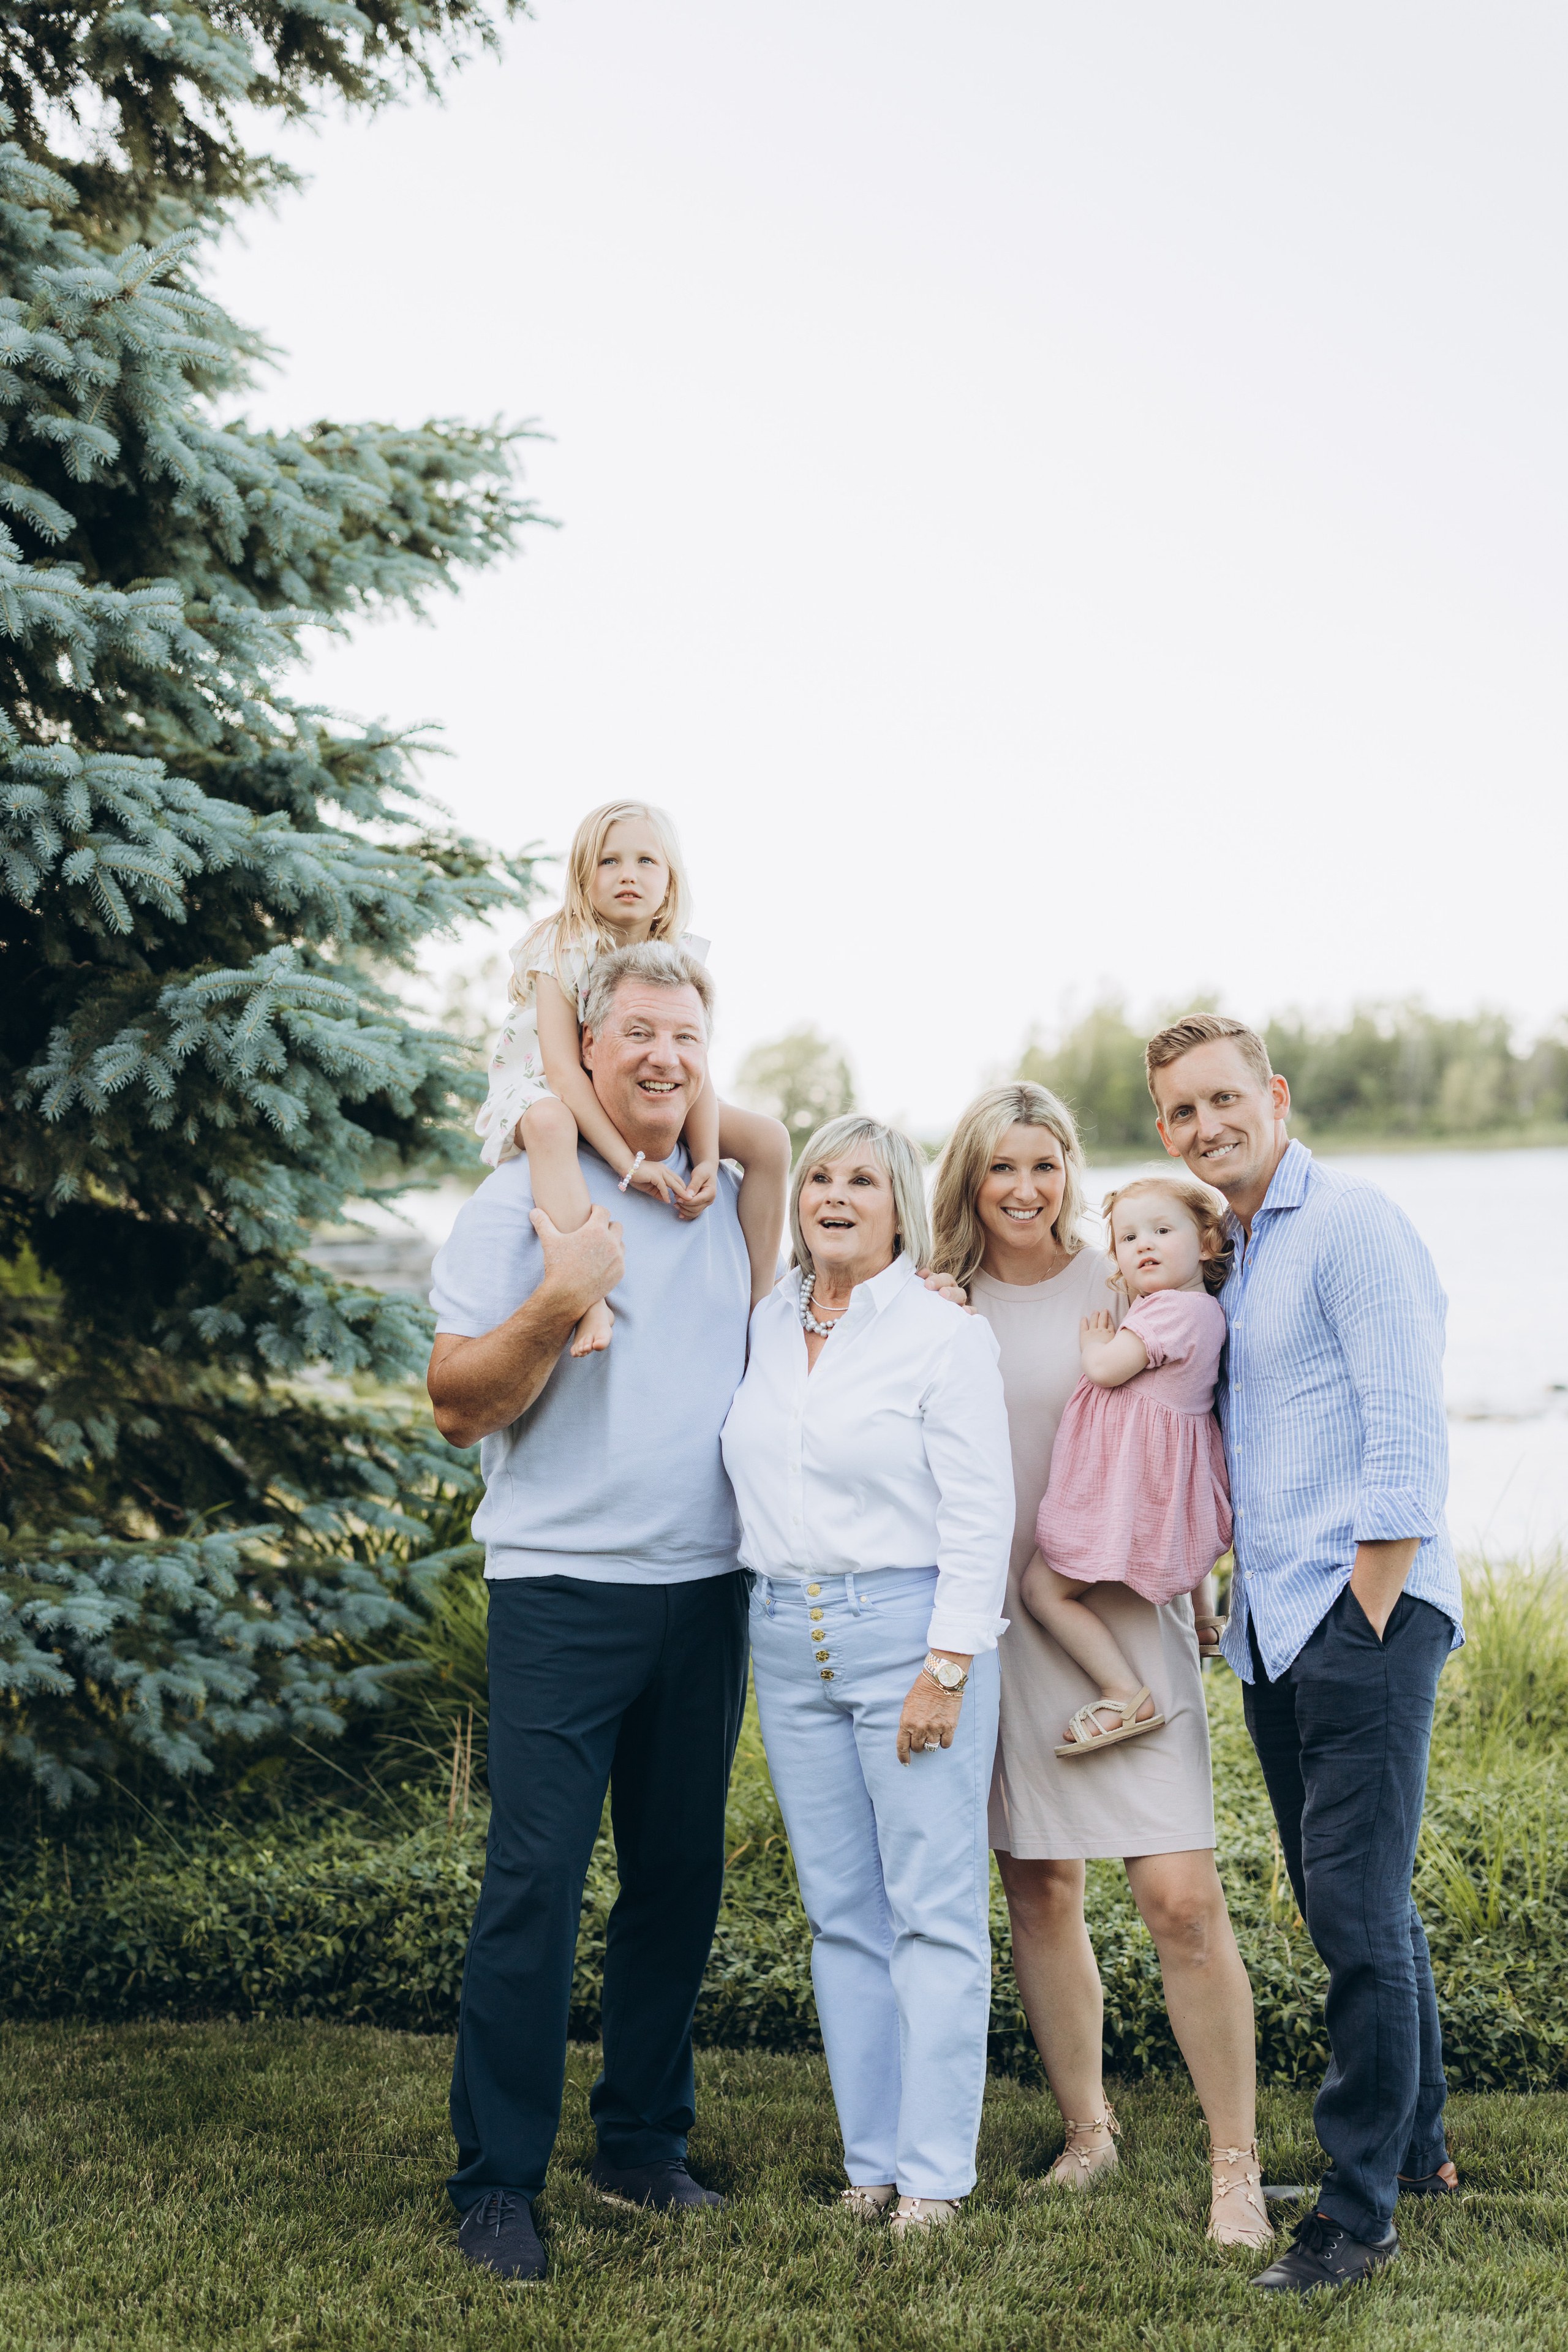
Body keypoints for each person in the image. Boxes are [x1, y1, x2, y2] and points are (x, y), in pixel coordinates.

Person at [426, 940, 786, 2285]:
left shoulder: (729, 1197)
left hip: (706, 1593)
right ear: (582, 1051)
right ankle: (495, 2183)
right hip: (560, 1597)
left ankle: (640, 2143)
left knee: (677, 1884)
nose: (662, 1060)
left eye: (685, 1039)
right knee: (533, 1888)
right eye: (636, 1034)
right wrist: (556, 1301)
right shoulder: (517, 1200)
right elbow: (460, 1398)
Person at [1145, 1011, 1463, 2298]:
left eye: (1223, 1099)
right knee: (1361, 1900)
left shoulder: (1351, 1227)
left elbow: (1402, 1438)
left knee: (1348, 1910)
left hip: (1360, 1621)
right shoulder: (1245, 1252)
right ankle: (1418, 2155)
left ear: (1270, 1095)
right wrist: (1238, 1597)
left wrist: (1364, 1611)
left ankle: (1353, 2214)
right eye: (1179, 1113)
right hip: (1279, 1631)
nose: (1204, 1126)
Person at [929, 1085, 1268, 2248]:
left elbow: (1189, 1421)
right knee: (1042, 1887)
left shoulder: (1126, 1278)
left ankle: (1237, 2165)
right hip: (1008, 1621)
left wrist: (1208, 1581)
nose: (1025, 1188)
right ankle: (1089, 2130)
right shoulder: (938, 1299)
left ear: (1073, 1170)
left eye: (1046, 1163)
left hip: (1127, 1609)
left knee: (1178, 1895)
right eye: (1000, 1168)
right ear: (968, 1180)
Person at [720, 1116, 1015, 2237]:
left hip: (909, 1635)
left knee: (934, 1913)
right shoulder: (763, 1324)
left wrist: (945, 1667)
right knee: (842, 1916)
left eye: (861, 1181)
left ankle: (937, 2178)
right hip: (785, 1639)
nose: (835, 1196)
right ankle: (872, 2163)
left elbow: (983, 1510)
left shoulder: (941, 1336)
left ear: (899, 1206)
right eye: (819, 1179)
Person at [472, 798, 789, 1352]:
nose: (628, 876)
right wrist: (629, 1162)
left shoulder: (677, 954)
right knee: (550, 1126)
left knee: (769, 1139)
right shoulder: (560, 945)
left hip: (640, 1081)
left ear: (669, 882)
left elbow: (698, 1070)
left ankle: (762, 1308)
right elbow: (564, 1069)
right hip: (548, 1085)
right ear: (583, 877)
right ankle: (587, 1299)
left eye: (647, 862)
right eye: (609, 862)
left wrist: (710, 1158)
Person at [1022, 1174, 1232, 1757]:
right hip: (1163, 1478)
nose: (1144, 1244)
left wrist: (1094, 1342)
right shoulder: (1204, 1309)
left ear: (1207, 1243)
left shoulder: (1168, 1311)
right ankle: (1205, 1622)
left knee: (1042, 1590)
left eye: (1163, 1230)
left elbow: (1108, 1370)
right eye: (1127, 1237)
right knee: (1181, 1541)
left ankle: (1122, 1691)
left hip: (1130, 1490)